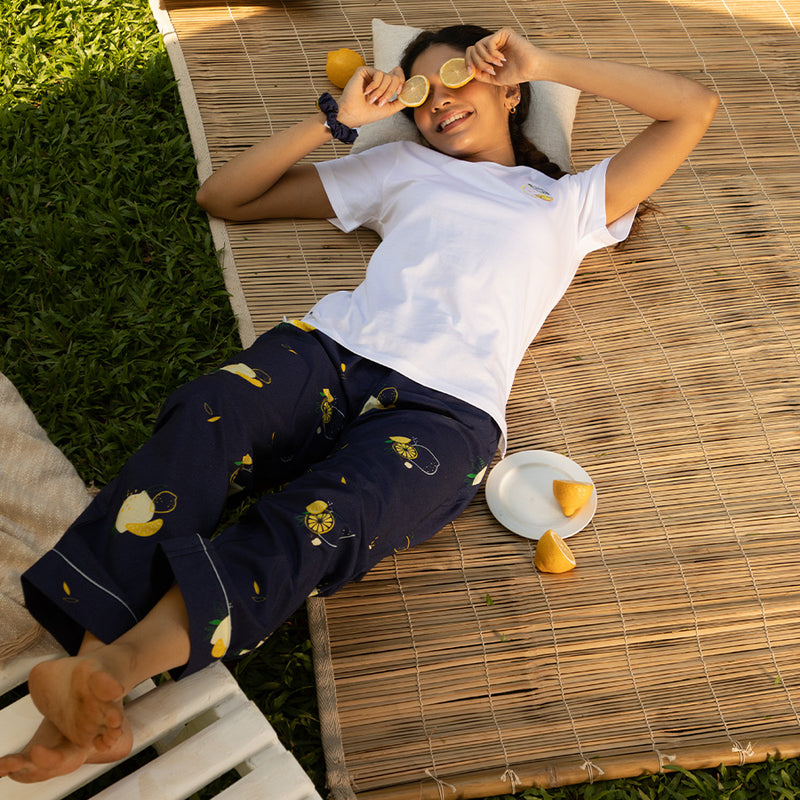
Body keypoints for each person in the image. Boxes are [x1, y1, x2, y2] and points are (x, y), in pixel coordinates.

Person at [0, 24, 718, 783]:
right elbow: (225, 195)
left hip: (449, 412)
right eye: (422, 94)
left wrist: (545, 62)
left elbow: (692, 107)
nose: (438, 103)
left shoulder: (570, 201)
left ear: (510, 91)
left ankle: (113, 671)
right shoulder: (400, 166)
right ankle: (89, 681)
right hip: (333, 353)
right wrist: (336, 121)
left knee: (323, 525)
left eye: (461, 78)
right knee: (209, 418)